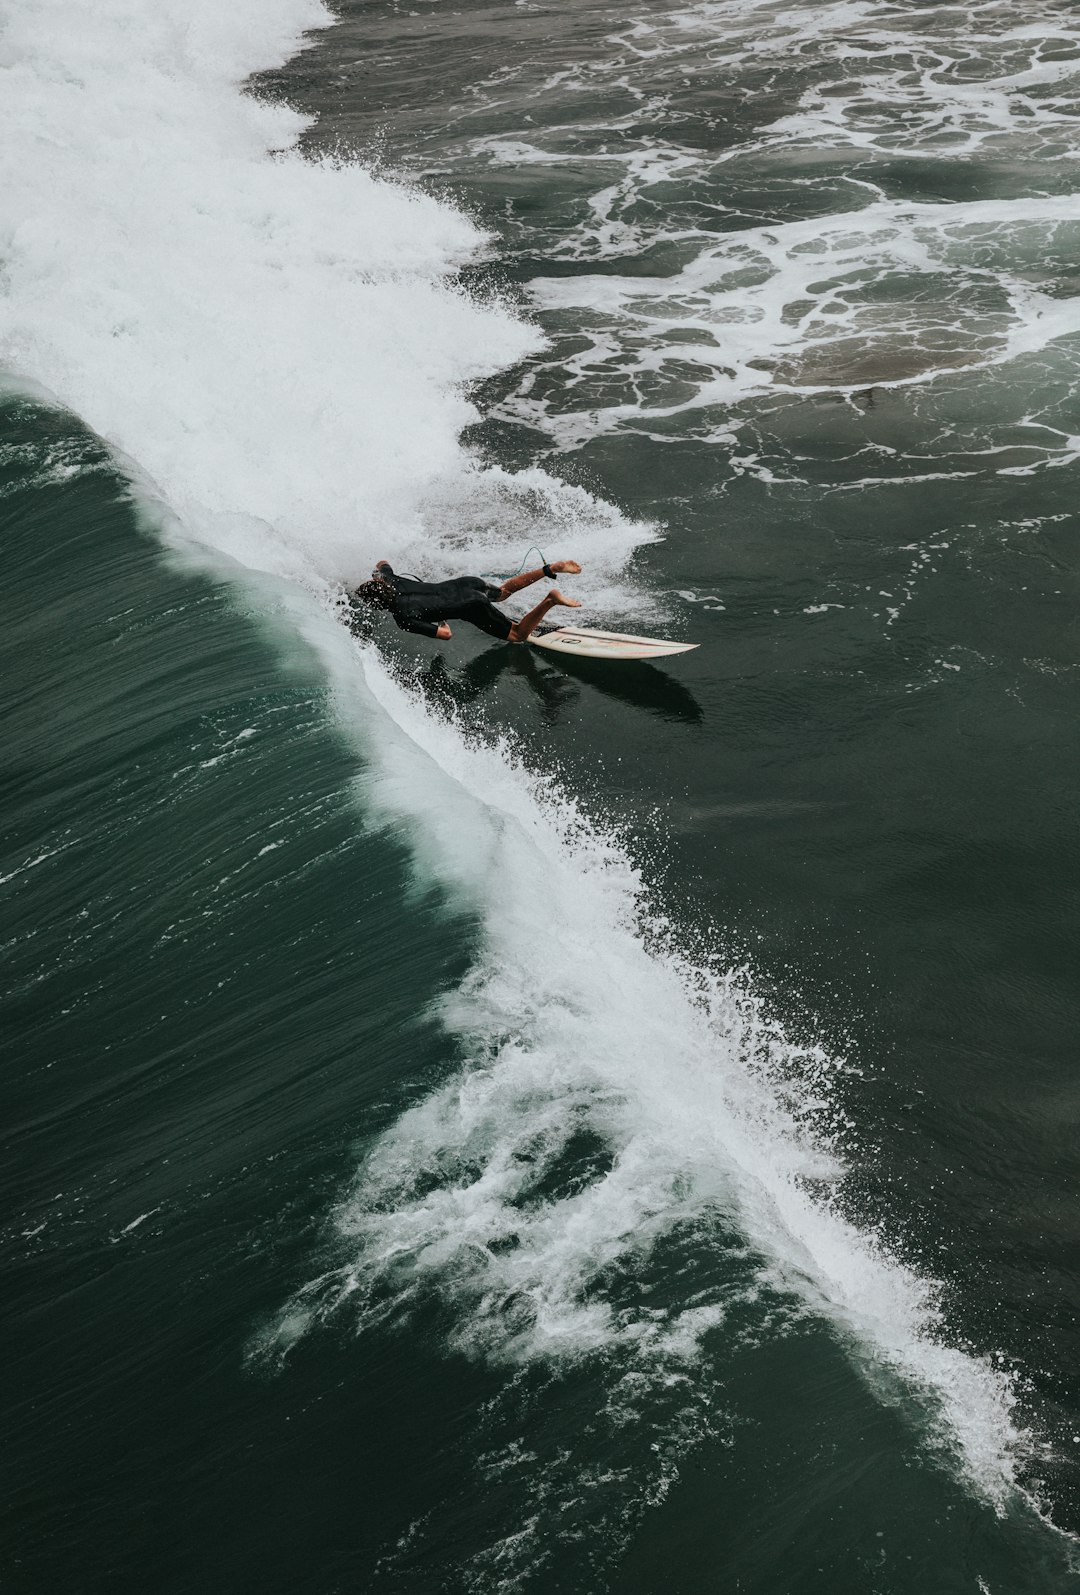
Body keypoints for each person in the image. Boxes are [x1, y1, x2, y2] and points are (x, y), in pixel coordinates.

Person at [351, 557, 583, 644]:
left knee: (517, 635)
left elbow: (446, 635)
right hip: (465, 583)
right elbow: (382, 562)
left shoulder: (403, 618)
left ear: (377, 605)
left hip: (471, 605)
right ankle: (550, 568)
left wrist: (441, 620)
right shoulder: (390, 579)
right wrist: (378, 573)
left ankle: (551, 600)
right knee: (503, 592)